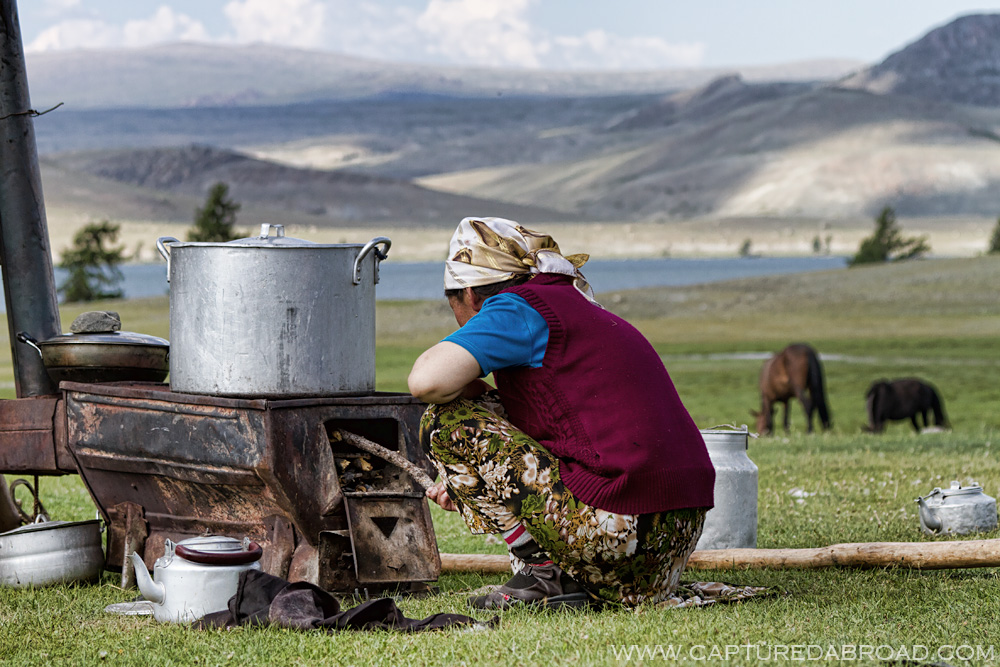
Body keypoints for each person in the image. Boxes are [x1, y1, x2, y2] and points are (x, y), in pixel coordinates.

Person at [408, 217, 715, 609]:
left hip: (622, 528)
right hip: (672, 540)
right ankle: (567, 576)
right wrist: (473, 478)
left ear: (469, 296)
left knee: (445, 422)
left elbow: (426, 381)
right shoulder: (572, 305)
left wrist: (469, 458)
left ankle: (545, 574)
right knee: (494, 409)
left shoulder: (515, 309)